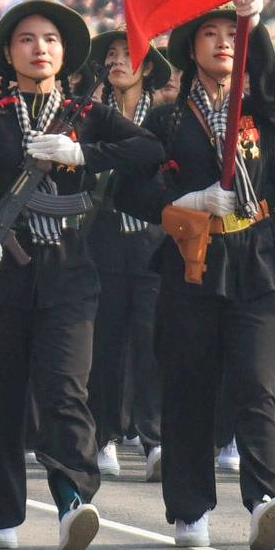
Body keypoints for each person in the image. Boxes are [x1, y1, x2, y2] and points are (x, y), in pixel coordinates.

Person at [0, 0, 160, 550]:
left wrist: (83, 151)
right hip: (3, 270)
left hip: (71, 272)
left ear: (65, 53)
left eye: (50, 39)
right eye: (27, 39)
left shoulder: (85, 113)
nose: (39, 48)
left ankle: (72, 497)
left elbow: (149, 149)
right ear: (8, 52)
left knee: (66, 389)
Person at [117, 0, 275, 550]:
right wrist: (186, 200)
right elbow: (129, 189)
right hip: (192, 262)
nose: (223, 42)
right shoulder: (168, 117)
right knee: (190, 387)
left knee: (255, 381)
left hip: (259, 257)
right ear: (191, 48)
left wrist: (257, 21)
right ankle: (190, 508)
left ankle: (266, 498)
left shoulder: (261, 110)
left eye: (231, 33)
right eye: (211, 33)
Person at [83, 30, 168, 483]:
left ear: (148, 67)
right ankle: (106, 435)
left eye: (128, 55)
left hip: (153, 239)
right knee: (106, 341)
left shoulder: (164, 115)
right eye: (111, 55)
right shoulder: (94, 114)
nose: (118, 61)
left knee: (152, 340)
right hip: (104, 234)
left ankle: (153, 437)